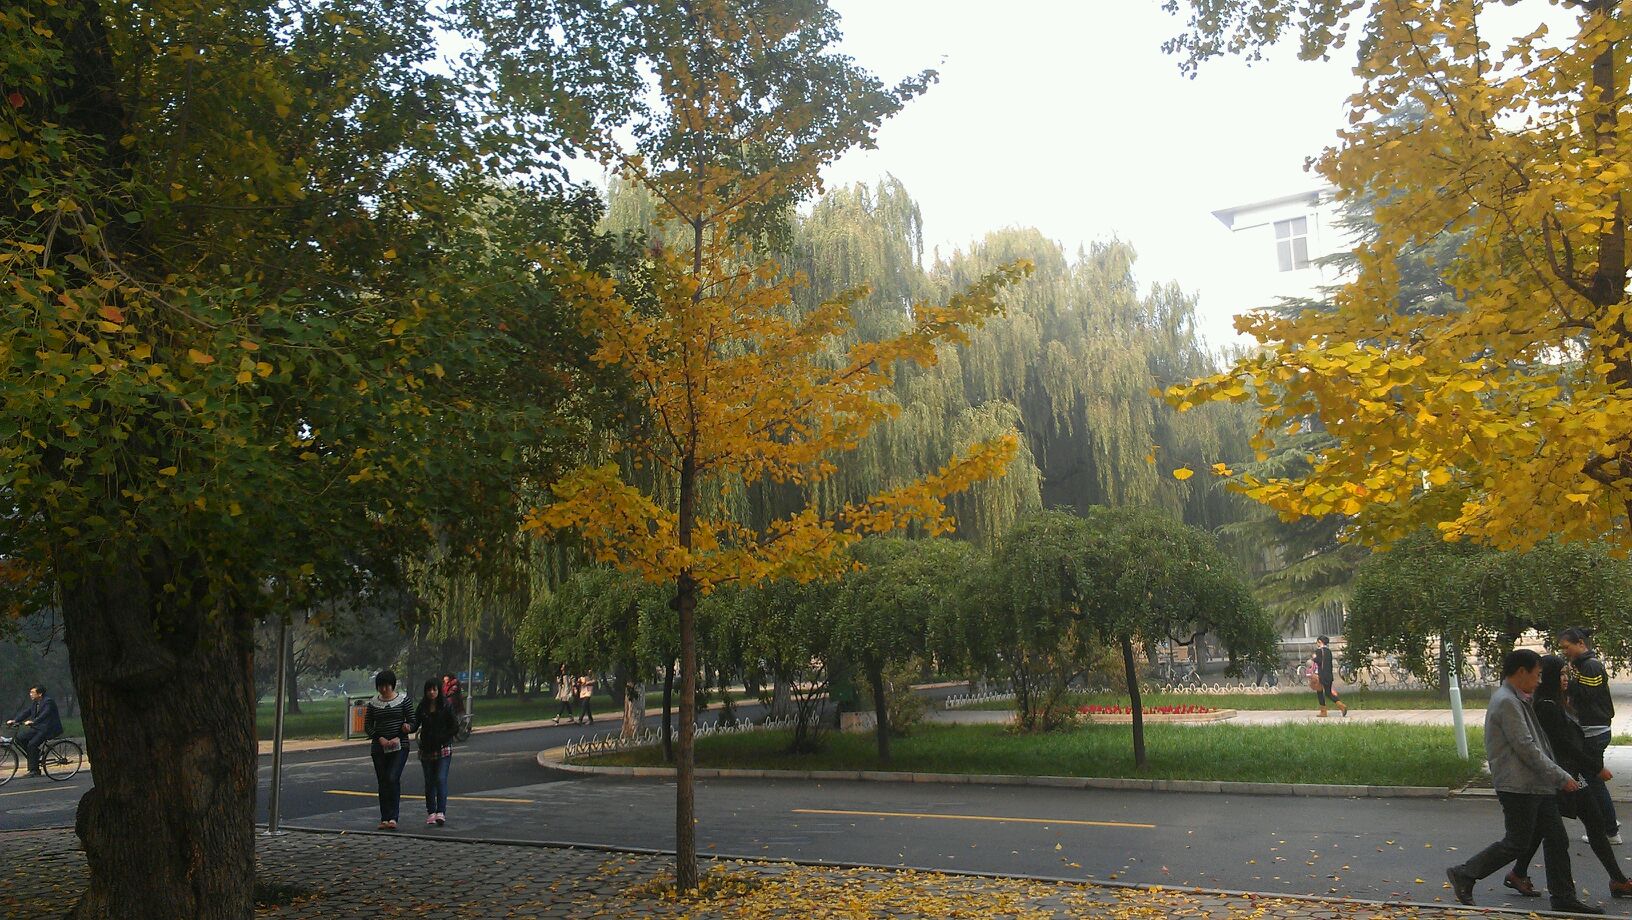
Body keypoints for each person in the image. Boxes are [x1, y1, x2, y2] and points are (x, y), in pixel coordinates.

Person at [1445, 648, 1601, 914]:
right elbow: (1526, 747)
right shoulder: (1506, 701)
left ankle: (1563, 897)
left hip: (1537, 784)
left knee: (1556, 839)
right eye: (1537, 674)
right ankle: (1465, 873)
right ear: (1521, 672)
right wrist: (1560, 776)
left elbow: (1537, 744)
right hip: (1518, 786)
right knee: (1516, 843)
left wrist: (1554, 776)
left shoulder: (1519, 698)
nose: (1540, 680)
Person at [1506, 655, 1632, 900]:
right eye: (1561, 674)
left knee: (1570, 824)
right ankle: (1615, 880)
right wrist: (1596, 767)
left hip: (1569, 775)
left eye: (1567, 674)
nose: (1566, 679)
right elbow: (1564, 745)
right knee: (1554, 828)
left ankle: (1518, 873)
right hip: (1560, 776)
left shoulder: (1555, 702)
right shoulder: (1546, 706)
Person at [1560, 627, 1619, 844]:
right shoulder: (1581, 665)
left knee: (1592, 779)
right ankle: (1608, 824)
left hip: (1595, 730)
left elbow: (1588, 696)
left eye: (1567, 647)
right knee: (1592, 778)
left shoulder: (1590, 666)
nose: (1565, 652)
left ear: (1581, 644)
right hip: (1593, 729)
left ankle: (1610, 830)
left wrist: (1567, 686)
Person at [363, 669, 416, 831]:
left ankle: (393, 816)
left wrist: (402, 733)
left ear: (392, 685)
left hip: (399, 745)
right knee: (383, 780)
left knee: (393, 777)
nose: (384, 689)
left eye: (386, 686)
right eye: (380, 686)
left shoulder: (403, 701)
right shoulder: (373, 703)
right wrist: (380, 738)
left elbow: (412, 722)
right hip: (379, 746)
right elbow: (368, 725)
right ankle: (384, 817)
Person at [415, 678, 458, 827]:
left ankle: (441, 811)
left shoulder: (446, 705)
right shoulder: (422, 707)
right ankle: (431, 812)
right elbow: (415, 724)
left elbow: (454, 726)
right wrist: (407, 726)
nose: (431, 692)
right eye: (429, 690)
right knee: (429, 781)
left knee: (440, 778)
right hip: (426, 749)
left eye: (434, 689)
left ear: (439, 691)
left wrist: (443, 737)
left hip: (443, 748)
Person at [6, 685, 63, 777]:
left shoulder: (48, 702)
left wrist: (33, 721)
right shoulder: (35, 703)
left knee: (32, 744)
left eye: (33, 692)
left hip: (48, 729)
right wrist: (15, 720)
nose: (30, 694)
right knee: (19, 738)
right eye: (30, 692)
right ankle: (35, 755)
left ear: (40, 694)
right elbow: (26, 712)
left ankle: (34, 770)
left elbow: (45, 714)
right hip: (37, 728)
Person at [1311, 636, 1347, 717]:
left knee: (1320, 693)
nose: (1317, 643)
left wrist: (1314, 657)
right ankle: (1342, 706)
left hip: (1321, 675)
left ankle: (1323, 712)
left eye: (1317, 642)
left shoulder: (1319, 651)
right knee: (1328, 693)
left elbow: (1319, 661)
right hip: (1329, 675)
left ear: (1320, 642)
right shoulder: (1328, 651)